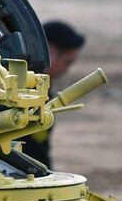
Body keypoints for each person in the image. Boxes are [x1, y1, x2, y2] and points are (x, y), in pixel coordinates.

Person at [21, 20, 87, 168]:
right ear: (50, 52)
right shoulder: (25, 93)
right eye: (67, 62)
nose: (66, 71)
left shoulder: (41, 88)